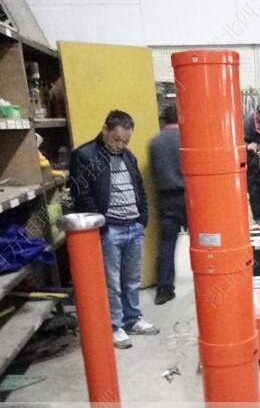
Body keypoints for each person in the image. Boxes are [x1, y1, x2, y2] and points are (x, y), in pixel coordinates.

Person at [69, 110, 159, 349]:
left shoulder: (128, 156)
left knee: (132, 280)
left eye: (125, 141)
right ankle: (115, 326)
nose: (120, 145)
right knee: (112, 283)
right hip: (110, 230)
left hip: (133, 227)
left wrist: (142, 219)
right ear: (105, 130)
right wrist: (102, 225)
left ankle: (133, 319)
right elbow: (81, 193)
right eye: (116, 139)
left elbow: (139, 189)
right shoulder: (85, 155)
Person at [150, 105, 187, 305]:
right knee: (204, 241)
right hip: (190, 197)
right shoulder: (188, 139)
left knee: (167, 244)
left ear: (163, 120)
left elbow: (155, 173)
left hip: (166, 199)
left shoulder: (155, 142)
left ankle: (164, 290)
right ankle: (209, 277)